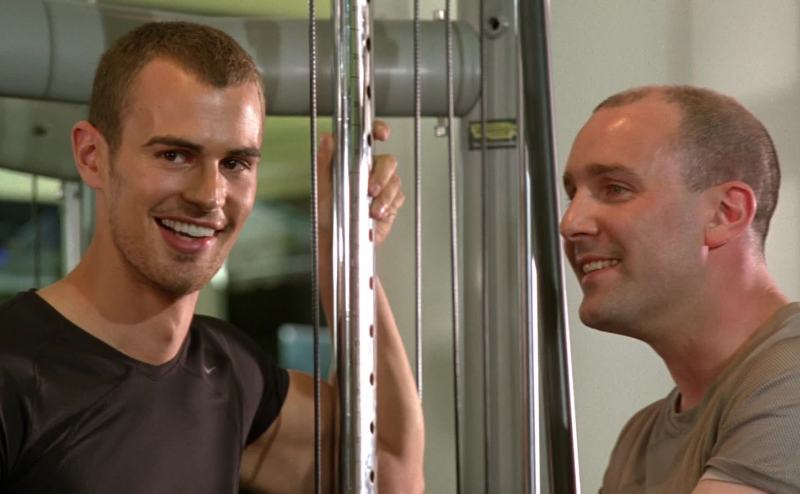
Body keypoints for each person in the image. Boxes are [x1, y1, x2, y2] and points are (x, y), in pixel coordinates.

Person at [0, 21, 424, 493]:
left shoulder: (228, 370)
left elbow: (388, 470)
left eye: (235, 163)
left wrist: (341, 246)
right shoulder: (13, 372)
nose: (209, 195)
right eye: (174, 155)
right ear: (92, 155)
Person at [560, 85, 800, 494]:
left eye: (615, 189)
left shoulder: (790, 379)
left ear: (725, 213)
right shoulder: (640, 438)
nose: (570, 224)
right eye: (572, 195)